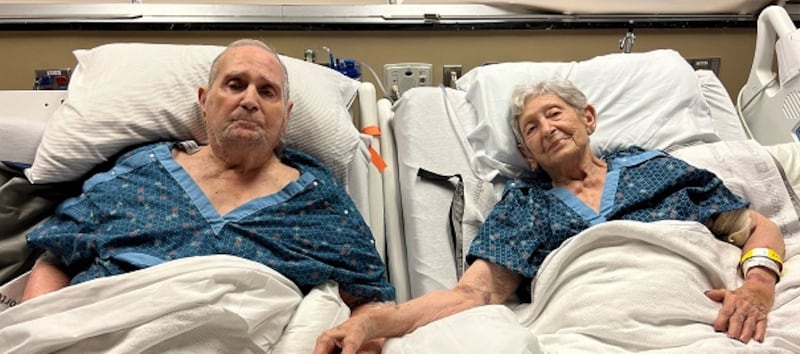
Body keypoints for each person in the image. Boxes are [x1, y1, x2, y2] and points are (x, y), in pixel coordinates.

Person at [314, 78, 785, 354]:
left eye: (555, 114)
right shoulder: (525, 204)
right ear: (528, 154)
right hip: (585, 326)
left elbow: (753, 227)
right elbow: (472, 294)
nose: (546, 129)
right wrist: (378, 321)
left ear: (589, 119)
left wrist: (759, 287)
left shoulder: (657, 168)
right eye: (531, 129)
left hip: (699, 318)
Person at [22, 39, 394, 313]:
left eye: (267, 91)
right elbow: (56, 257)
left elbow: (371, 303)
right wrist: (39, 330)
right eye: (235, 85)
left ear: (287, 117)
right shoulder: (141, 171)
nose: (250, 100)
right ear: (204, 100)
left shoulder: (317, 198)